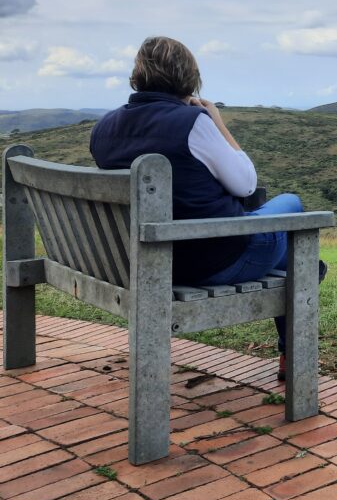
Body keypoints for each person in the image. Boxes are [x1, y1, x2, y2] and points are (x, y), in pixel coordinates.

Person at [90, 36, 318, 380]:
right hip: (212, 260)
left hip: (136, 260)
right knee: (291, 204)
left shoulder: (103, 127)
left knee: (293, 255)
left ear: (138, 75)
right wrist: (216, 122)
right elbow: (246, 184)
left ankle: (304, 283)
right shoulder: (192, 123)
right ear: (188, 78)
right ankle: (299, 318)